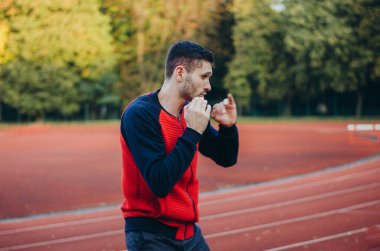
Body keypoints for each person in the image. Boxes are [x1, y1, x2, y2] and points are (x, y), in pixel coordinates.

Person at [120, 40, 239, 251]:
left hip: (189, 232)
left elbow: (226, 158)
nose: (209, 86)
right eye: (204, 77)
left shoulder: (189, 111)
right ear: (180, 73)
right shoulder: (140, 114)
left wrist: (228, 128)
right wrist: (192, 132)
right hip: (151, 235)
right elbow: (159, 182)